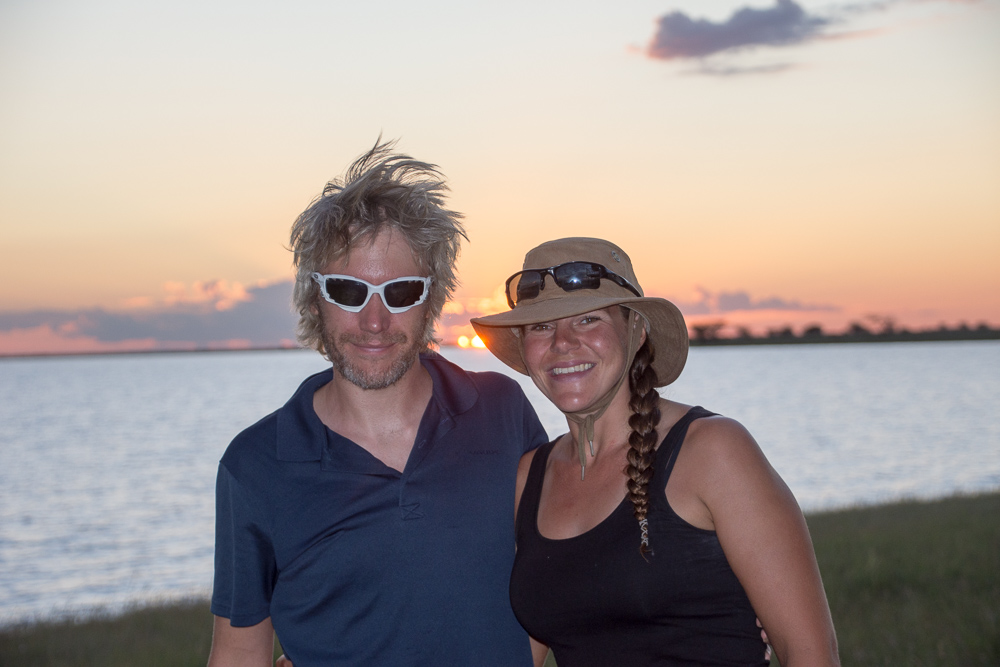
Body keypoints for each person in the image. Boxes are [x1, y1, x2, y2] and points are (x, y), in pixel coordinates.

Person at [207, 141, 548, 666]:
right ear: (313, 298)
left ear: (432, 299)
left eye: (401, 291)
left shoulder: (502, 409)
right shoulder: (254, 465)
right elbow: (237, 652)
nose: (374, 321)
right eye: (347, 291)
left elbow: (553, 565)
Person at [471, 237, 840, 667]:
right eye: (541, 326)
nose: (563, 342)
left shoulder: (711, 451)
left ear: (636, 331)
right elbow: (519, 654)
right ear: (524, 348)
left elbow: (811, 654)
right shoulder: (529, 477)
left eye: (588, 319)